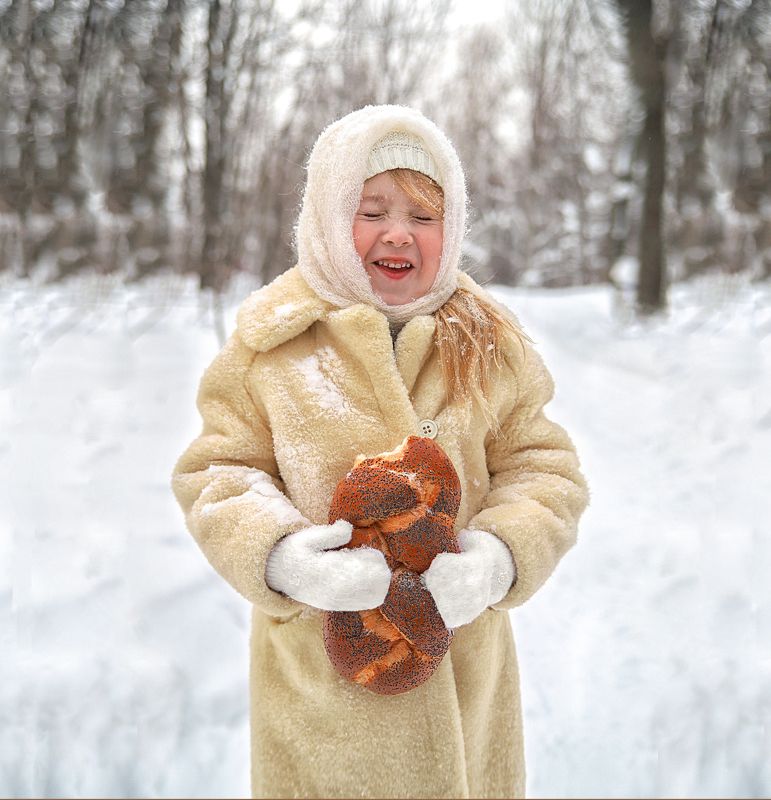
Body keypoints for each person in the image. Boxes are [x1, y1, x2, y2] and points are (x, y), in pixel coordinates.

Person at [171, 105, 589, 799]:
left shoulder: (486, 339)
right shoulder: (271, 343)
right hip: (321, 703)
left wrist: (499, 559)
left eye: (425, 217)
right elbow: (219, 470)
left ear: (450, 231)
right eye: (372, 210)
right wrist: (279, 559)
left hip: (463, 691)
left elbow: (542, 467)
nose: (398, 233)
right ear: (330, 219)